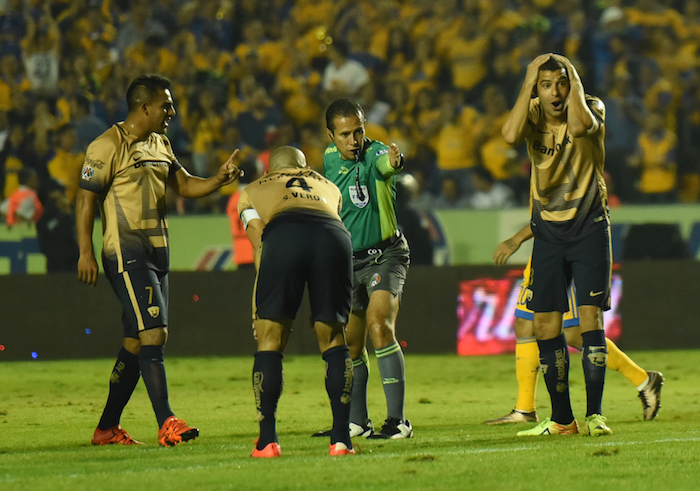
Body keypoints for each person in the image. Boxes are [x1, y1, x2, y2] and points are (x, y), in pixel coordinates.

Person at [75, 74, 242, 447]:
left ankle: (106, 429)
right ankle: (167, 420)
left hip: (157, 251)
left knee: (136, 340)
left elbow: (183, 185)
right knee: (155, 333)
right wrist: (86, 250)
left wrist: (218, 179)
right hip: (125, 250)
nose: (172, 111)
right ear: (144, 106)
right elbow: (85, 199)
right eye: (166, 104)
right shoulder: (106, 146)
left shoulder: (160, 144)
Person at [501, 54, 612, 437]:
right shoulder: (531, 112)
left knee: (589, 319)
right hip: (548, 233)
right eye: (546, 85)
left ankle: (595, 414)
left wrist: (576, 79)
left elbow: (581, 128)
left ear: (572, 85)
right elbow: (509, 136)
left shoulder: (590, 106)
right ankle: (563, 420)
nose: (555, 93)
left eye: (560, 84)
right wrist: (528, 76)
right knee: (545, 324)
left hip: (588, 228)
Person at [238, 146, 354, 458]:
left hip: (284, 234)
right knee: (332, 336)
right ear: (304, 168)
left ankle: (267, 442)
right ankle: (341, 440)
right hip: (334, 235)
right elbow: (330, 219)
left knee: (271, 340)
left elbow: (261, 243)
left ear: (269, 171)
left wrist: (257, 311)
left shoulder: (251, 191)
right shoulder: (328, 186)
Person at [484, 224, 664, 425]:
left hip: (561, 252)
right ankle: (524, 409)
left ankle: (643, 379)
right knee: (524, 324)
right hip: (544, 252)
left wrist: (516, 238)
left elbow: (553, 215)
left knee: (571, 333)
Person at [315, 98, 412, 440]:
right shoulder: (328, 159)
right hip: (348, 261)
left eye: (358, 131)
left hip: (385, 255)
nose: (354, 140)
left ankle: (398, 421)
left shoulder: (376, 154)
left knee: (379, 325)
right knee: (351, 344)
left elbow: (388, 164)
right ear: (331, 135)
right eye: (345, 134)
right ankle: (358, 422)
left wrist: (395, 161)